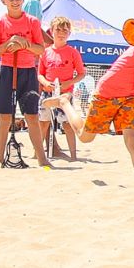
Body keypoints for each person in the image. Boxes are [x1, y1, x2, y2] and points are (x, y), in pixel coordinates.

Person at [49, 9, 134, 185]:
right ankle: (64, 102)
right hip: (107, 93)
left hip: (128, 95)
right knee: (86, 137)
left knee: (132, 138)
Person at [0, 0, 48, 168]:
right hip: (8, 70)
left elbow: (40, 49)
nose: (15, 2)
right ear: (3, 1)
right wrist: (10, 43)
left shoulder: (32, 22)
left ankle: (42, 158)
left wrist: (24, 44)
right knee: (5, 117)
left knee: (31, 115)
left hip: (28, 70)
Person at [37, 16, 85, 160]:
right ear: (51, 31)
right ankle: (39, 153)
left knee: (68, 125)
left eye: (65, 30)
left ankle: (73, 155)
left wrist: (69, 83)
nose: (61, 32)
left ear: (69, 33)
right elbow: (40, 74)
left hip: (65, 94)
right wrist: (45, 83)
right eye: (58, 29)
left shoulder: (72, 52)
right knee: (43, 123)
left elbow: (81, 73)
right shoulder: (45, 52)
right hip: (48, 94)